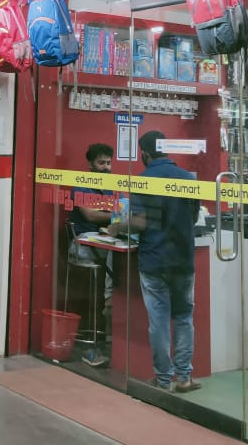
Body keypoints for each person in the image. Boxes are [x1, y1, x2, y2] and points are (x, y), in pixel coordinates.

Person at [108, 130, 201, 393]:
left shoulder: (143, 180)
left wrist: (117, 228)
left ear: (145, 154)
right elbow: (194, 218)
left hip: (154, 261)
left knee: (158, 321)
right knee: (183, 318)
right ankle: (184, 378)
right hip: (183, 260)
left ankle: (163, 380)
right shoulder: (187, 178)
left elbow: (140, 222)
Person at [68, 143, 116, 368]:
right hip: (84, 245)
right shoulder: (82, 184)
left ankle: (110, 310)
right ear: (90, 164)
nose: (106, 167)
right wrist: (116, 216)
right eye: (101, 163)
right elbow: (90, 214)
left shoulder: (109, 185)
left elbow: (114, 210)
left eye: (108, 162)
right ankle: (95, 341)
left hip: (104, 243)